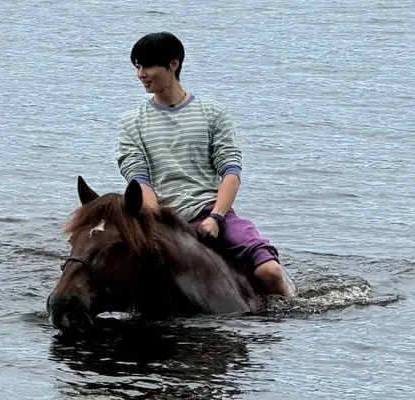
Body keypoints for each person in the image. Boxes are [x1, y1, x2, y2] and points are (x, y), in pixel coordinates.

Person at [116, 32, 292, 297]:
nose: (141, 74)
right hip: (160, 218)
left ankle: (290, 313)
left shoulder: (212, 113)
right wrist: (159, 222)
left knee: (270, 271)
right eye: (137, 67)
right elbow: (140, 180)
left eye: (147, 66)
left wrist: (216, 217)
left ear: (173, 64)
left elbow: (231, 171)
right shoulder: (132, 122)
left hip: (210, 211)